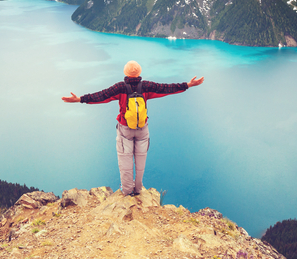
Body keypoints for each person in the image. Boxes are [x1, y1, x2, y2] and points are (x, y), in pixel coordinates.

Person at [62, 61, 204, 196]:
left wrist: (80, 99)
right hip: (142, 129)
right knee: (140, 160)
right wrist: (188, 85)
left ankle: (127, 190)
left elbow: (102, 95)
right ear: (139, 73)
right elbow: (166, 88)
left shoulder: (120, 87)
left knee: (125, 160)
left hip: (125, 129)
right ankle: (138, 189)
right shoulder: (146, 86)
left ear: (126, 73)